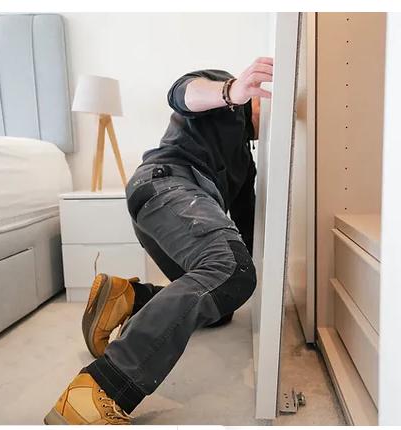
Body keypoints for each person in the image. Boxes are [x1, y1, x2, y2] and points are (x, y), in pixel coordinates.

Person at [44, 57, 273, 425]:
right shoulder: (226, 95)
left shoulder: (245, 163)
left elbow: (247, 232)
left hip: (156, 200)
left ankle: (128, 297)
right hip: (168, 185)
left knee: (221, 303)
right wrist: (232, 91)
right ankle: (100, 390)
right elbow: (182, 94)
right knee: (230, 271)